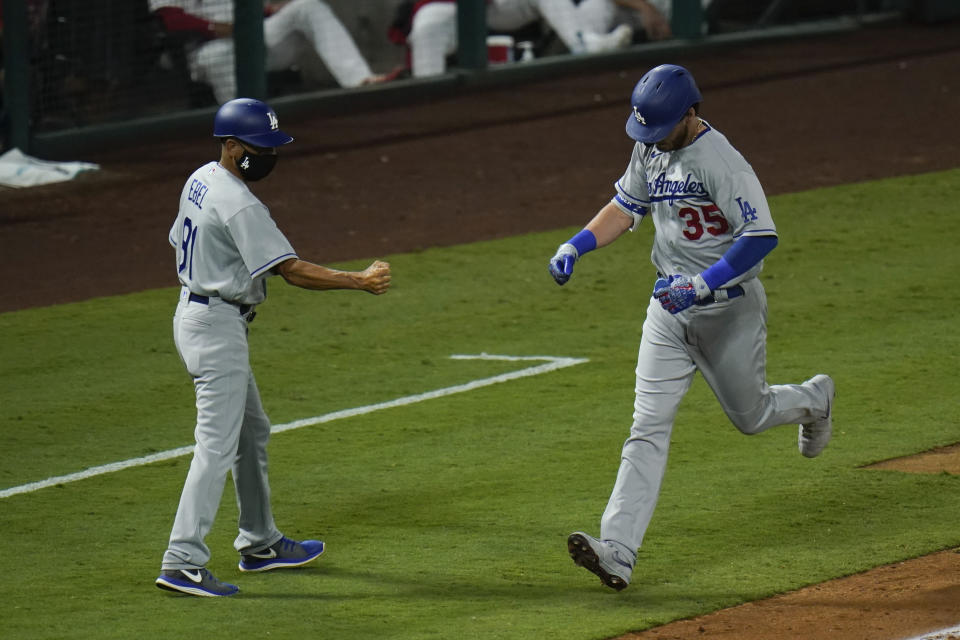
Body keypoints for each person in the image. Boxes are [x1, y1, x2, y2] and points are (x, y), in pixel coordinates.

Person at [548, 64, 834, 592]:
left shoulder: (721, 161)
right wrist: (576, 244)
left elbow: (761, 236)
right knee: (646, 428)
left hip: (728, 309)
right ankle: (618, 551)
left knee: (752, 417)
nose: (651, 140)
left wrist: (702, 284)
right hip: (667, 311)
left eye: (659, 129)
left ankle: (814, 400)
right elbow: (625, 206)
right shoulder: (651, 145)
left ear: (691, 113)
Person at [155, 97, 392, 597]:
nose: (267, 157)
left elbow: (179, 240)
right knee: (215, 446)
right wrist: (359, 280)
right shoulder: (239, 202)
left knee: (251, 432)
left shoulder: (200, 177)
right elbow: (291, 270)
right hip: (215, 325)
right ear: (232, 146)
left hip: (198, 312)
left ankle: (260, 543)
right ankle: (181, 561)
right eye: (259, 148)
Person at [149, 0, 387, 104]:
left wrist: (270, 11)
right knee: (222, 56)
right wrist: (213, 28)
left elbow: (247, 9)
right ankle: (248, 130)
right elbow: (171, 20)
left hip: (253, 39)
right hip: (207, 49)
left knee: (308, 7)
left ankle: (360, 81)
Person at [404, 0, 647, 79]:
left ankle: (585, 43)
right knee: (428, 27)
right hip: (448, 6)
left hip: (493, 7)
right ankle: (424, 100)